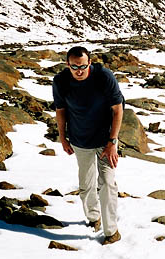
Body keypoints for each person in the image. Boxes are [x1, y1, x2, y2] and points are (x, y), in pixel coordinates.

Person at [52, 46, 125, 245]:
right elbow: (61, 111)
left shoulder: (103, 76)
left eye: (83, 66)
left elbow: (118, 110)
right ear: (68, 64)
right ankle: (94, 218)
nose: (79, 70)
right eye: (75, 66)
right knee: (86, 185)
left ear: (89, 63)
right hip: (80, 139)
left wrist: (112, 142)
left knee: (107, 183)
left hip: (105, 139)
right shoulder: (60, 82)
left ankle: (112, 232)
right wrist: (63, 137)